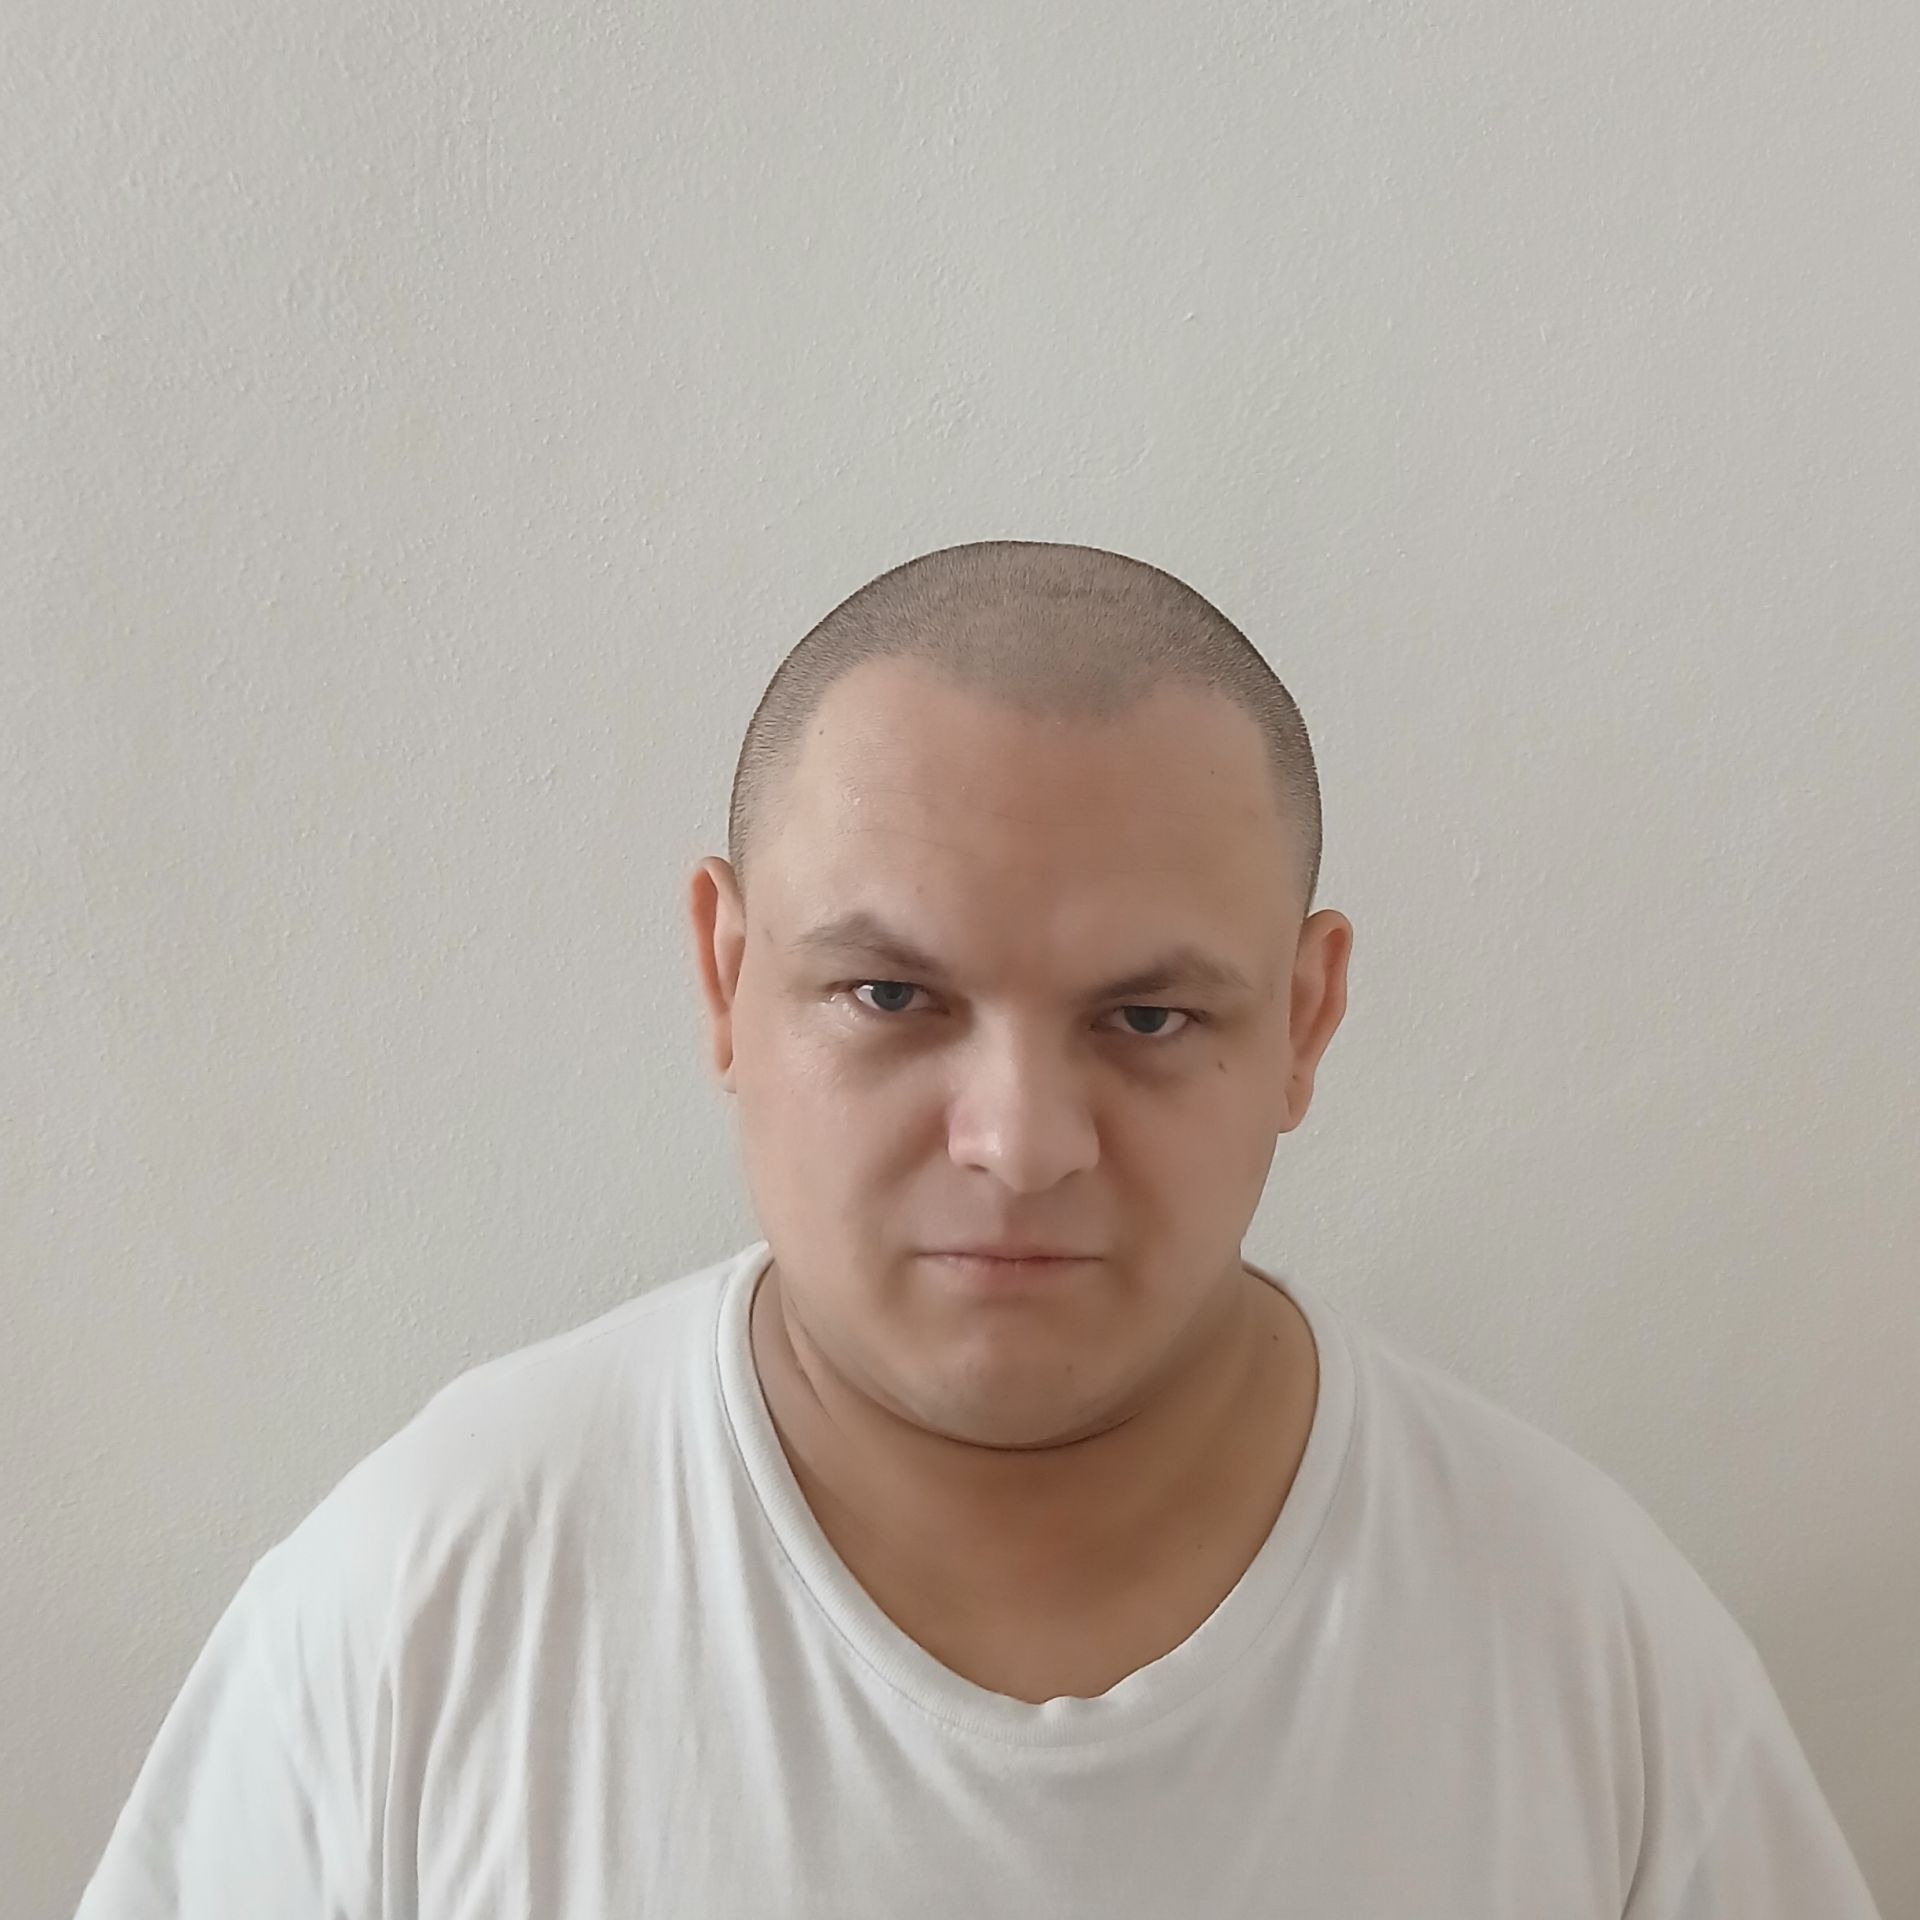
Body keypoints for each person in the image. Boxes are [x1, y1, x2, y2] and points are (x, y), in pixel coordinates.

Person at [75, 540, 1881, 1917]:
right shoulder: (421, 1610)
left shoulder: (1588, 1653)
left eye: (1147, 1017)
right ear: (724, 975)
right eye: (890, 997)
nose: (1019, 1147)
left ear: (1305, 1020)